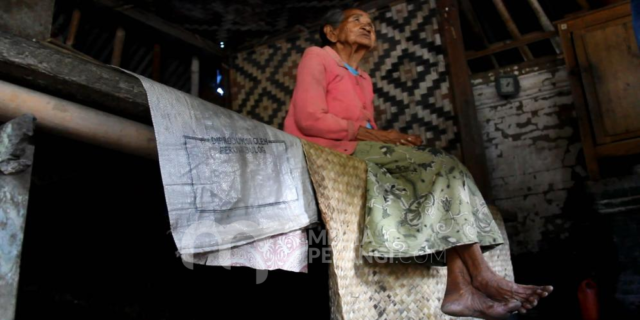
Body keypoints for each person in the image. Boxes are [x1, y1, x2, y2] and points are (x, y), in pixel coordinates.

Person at [283, 8, 553, 319]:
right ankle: (479, 276)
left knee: (444, 173)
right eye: (356, 20)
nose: (367, 26)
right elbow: (309, 118)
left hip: (358, 146)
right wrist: (382, 136)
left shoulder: (365, 80)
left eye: (370, 23)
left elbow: (368, 130)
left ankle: (460, 287)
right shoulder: (317, 56)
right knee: (442, 164)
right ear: (331, 33)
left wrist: (391, 138)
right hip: (328, 151)